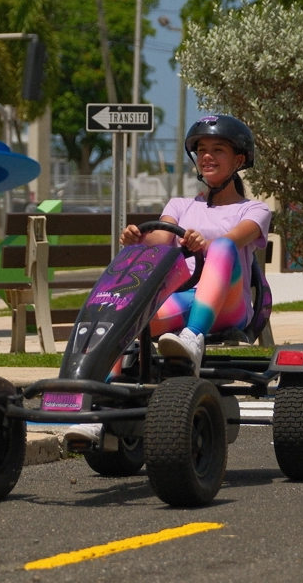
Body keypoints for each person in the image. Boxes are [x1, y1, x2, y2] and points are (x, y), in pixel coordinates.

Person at [64, 115, 272, 447]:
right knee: (125, 320)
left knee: (221, 246)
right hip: (186, 298)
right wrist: (139, 237)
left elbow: (235, 238)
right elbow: (162, 237)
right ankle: (95, 412)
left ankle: (194, 339)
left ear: (239, 160)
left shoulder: (255, 209)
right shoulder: (179, 205)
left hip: (230, 307)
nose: (207, 156)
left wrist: (202, 239)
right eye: (202, 149)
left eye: (218, 149)